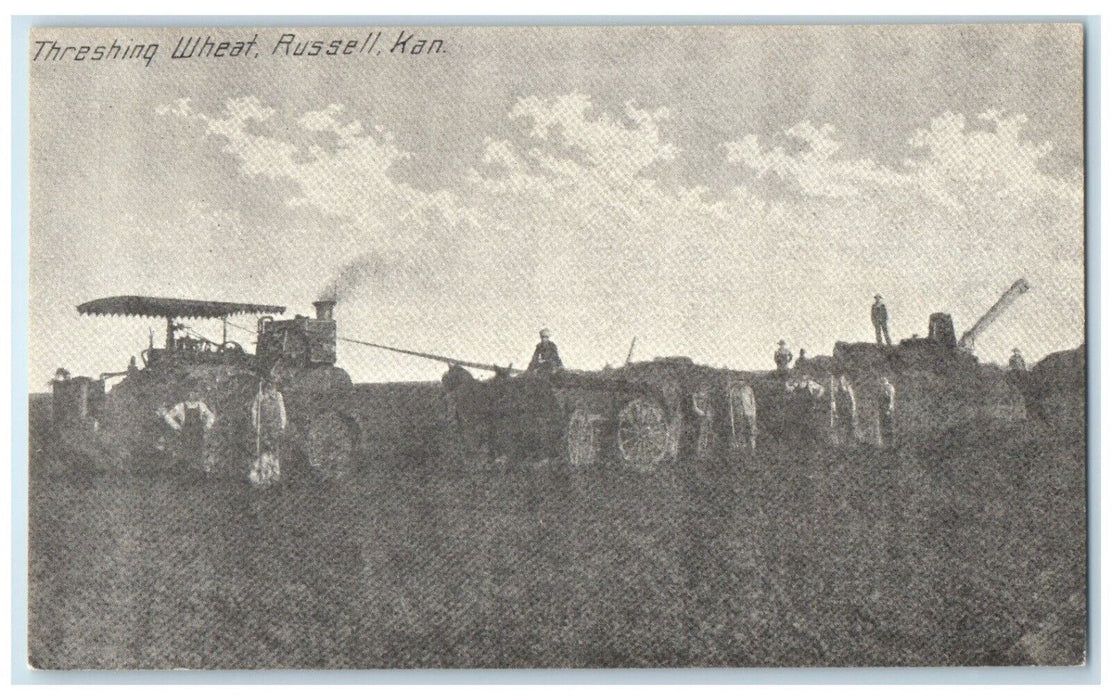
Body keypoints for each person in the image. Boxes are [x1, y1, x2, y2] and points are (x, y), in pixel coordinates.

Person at [164, 389, 216, 473]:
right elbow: (168, 416)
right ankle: (186, 475)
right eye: (190, 393)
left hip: (198, 433)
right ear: (187, 394)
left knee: (198, 453)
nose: (192, 395)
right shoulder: (181, 406)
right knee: (186, 453)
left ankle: (198, 475)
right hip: (186, 434)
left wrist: (207, 426)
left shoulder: (201, 405)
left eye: (194, 392)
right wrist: (177, 427)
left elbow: (211, 416)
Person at [250, 377, 287, 487]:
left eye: (273, 386)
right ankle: (263, 475)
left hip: (274, 427)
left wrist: (282, 424)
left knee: (274, 450)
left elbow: (282, 411)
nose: (271, 388)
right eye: (269, 386)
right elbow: (254, 410)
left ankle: (274, 475)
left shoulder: (278, 396)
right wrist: (256, 424)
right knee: (263, 450)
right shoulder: (260, 396)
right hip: (264, 427)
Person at [877, 376, 896, 448]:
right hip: (882, 410)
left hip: (887, 410)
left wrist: (888, 409)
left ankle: (890, 443)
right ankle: (884, 443)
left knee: (888, 426)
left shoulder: (889, 388)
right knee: (882, 426)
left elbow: (891, 399)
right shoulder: (882, 388)